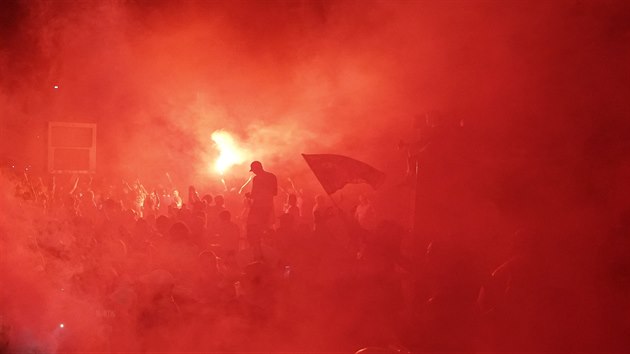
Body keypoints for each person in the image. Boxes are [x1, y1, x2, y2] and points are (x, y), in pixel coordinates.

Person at [246, 161, 277, 259]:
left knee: (254, 229)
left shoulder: (256, 179)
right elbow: (275, 192)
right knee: (267, 229)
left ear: (256, 169)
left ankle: (257, 251)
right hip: (269, 206)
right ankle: (269, 250)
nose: (254, 172)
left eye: (254, 170)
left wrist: (249, 196)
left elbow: (254, 194)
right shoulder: (272, 176)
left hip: (259, 208)